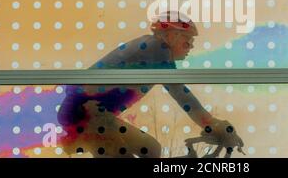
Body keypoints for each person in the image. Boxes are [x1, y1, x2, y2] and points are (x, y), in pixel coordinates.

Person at [57, 11, 244, 158]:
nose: (191, 47)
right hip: (85, 113)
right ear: (170, 36)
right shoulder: (156, 48)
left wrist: (211, 124)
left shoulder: (154, 50)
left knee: (152, 149)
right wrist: (212, 123)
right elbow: (181, 94)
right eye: (188, 42)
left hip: (91, 114)